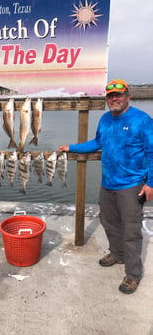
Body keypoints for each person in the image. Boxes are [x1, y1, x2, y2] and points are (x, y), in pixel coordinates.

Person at [58, 79, 153, 294]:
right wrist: (71, 146)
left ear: (128, 96)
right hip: (107, 182)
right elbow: (97, 143)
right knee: (109, 222)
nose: (114, 99)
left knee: (131, 230)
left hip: (131, 185)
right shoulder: (105, 119)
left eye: (119, 95)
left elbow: (152, 152)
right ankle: (117, 254)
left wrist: (151, 183)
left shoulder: (142, 120)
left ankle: (132, 274)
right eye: (110, 96)